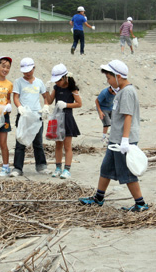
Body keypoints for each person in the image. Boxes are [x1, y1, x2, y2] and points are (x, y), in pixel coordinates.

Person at [79, 60, 147, 212]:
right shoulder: (121, 91)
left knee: (127, 171)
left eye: (109, 78)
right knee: (106, 168)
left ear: (118, 76)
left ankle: (140, 203)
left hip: (123, 140)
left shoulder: (128, 92)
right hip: (115, 138)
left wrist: (125, 140)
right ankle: (98, 198)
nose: (108, 82)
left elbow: (128, 116)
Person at [10, 57, 48, 177]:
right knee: (20, 142)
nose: (27, 73)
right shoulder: (18, 82)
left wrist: (46, 106)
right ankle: (17, 168)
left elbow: (45, 96)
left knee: (38, 143)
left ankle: (41, 166)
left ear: (34, 68)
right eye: (25, 71)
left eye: (29, 70)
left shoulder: (39, 82)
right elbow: (15, 97)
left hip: (36, 116)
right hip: (24, 115)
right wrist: (20, 107)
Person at [44, 64, 81, 180]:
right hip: (57, 118)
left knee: (67, 145)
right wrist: (46, 91)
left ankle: (67, 169)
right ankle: (58, 168)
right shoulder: (56, 88)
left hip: (68, 118)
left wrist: (66, 105)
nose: (57, 83)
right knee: (58, 144)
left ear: (65, 77)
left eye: (59, 80)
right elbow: (49, 101)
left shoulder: (72, 88)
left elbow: (79, 103)